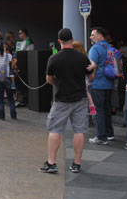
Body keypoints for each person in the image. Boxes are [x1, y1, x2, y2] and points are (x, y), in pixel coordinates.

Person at [39, 28, 93, 174]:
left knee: (55, 129)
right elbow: (90, 77)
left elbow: (49, 79)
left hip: (61, 99)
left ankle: (51, 163)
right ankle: (76, 163)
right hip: (80, 99)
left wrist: (58, 84)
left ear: (59, 41)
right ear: (72, 39)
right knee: (79, 130)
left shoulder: (54, 58)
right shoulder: (82, 58)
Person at [88, 27, 115, 145]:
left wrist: (90, 80)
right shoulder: (111, 48)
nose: (90, 37)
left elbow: (92, 66)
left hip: (98, 84)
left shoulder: (95, 48)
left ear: (100, 36)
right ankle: (109, 133)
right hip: (109, 83)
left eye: (93, 35)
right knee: (106, 109)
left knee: (97, 110)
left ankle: (100, 137)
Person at [0, 40, 17, 120]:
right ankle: (13, 115)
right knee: (11, 98)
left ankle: (1, 116)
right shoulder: (8, 55)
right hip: (7, 79)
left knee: (0, 99)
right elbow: (14, 61)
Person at [72, 41, 96, 116]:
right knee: (86, 92)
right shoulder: (85, 57)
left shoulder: (79, 58)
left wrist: (91, 67)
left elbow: (93, 64)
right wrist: (91, 67)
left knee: (86, 91)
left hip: (80, 79)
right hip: (84, 78)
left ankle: (92, 106)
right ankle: (92, 106)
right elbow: (93, 63)